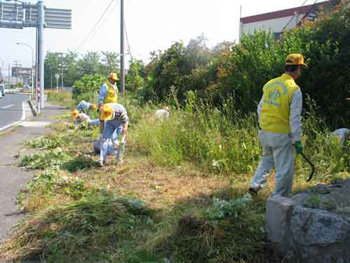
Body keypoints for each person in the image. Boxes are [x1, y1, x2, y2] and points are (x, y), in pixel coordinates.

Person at [249, 53, 306, 197]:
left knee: (267, 159)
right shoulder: (294, 89)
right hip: (281, 135)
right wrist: (297, 140)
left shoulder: (270, 84)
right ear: (298, 68)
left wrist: (262, 125)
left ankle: (254, 186)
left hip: (264, 131)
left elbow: (260, 108)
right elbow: (294, 118)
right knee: (284, 168)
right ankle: (279, 199)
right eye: (300, 68)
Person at [99, 103, 129, 167]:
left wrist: (123, 137)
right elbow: (101, 123)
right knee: (104, 139)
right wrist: (101, 133)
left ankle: (119, 159)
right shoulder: (103, 111)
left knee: (119, 141)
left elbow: (125, 126)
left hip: (120, 122)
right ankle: (102, 160)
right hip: (109, 123)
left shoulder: (120, 112)